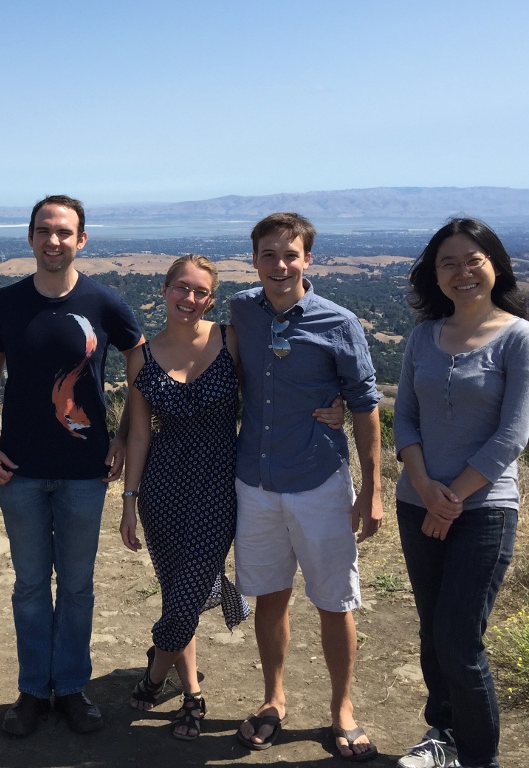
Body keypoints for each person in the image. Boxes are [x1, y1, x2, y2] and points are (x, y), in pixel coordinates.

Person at [120, 254, 342, 741]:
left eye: (200, 292)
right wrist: (129, 501)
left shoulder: (230, 340)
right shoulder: (140, 355)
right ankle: (193, 694)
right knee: (178, 586)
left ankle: (155, 675)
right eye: (182, 288)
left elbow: (278, 385)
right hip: (161, 490)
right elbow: (138, 436)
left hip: (221, 487)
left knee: (185, 594)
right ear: (164, 290)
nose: (190, 298)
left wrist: (338, 400)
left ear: (212, 300)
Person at [0, 194, 144, 736]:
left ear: (82, 240)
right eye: (44, 231)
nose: (54, 241)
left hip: (83, 471)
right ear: (30, 238)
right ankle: (31, 691)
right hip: (19, 470)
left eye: (64, 232)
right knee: (29, 586)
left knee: (75, 585)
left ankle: (69, 688)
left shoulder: (105, 302)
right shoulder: (4, 302)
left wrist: (121, 433)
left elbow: (140, 365)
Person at [231, 212, 382, 761]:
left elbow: (365, 406)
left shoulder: (338, 323)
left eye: (290, 254)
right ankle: (274, 699)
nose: (279, 264)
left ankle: (342, 708)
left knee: (334, 601)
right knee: (270, 595)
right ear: (254, 259)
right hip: (256, 480)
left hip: (319, 480)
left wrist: (372, 491)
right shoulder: (240, 310)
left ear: (308, 259)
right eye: (268, 254)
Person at [393, 218, 529, 768]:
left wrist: (450, 497)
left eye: (472, 259)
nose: (461, 272)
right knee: (434, 632)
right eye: (447, 263)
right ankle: (444, 736)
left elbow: (513, 436)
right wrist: (426, 488)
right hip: (417, 503)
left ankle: (481, 759)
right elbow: (404, 419)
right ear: (435, 276)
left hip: (484, 511)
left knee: (460, 639)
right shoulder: (422, 337)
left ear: (495, 264)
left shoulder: (519, 337)